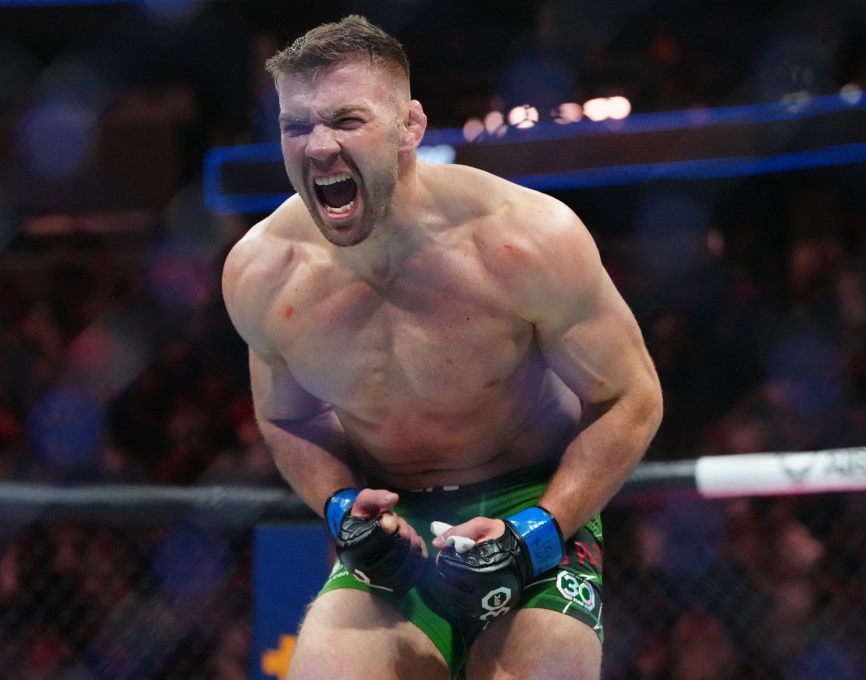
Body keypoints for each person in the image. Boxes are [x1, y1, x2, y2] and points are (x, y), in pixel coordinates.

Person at [221, 14, 662, 680]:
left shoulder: (526, 240)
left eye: (346, 120)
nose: (316, 148)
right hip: (397, 523)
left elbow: (631, 397)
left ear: (410, 127)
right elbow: (286, 416)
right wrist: (342, 506)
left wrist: (539, 532)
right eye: (295, 126)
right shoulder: (262, 273)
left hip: (535, 501)